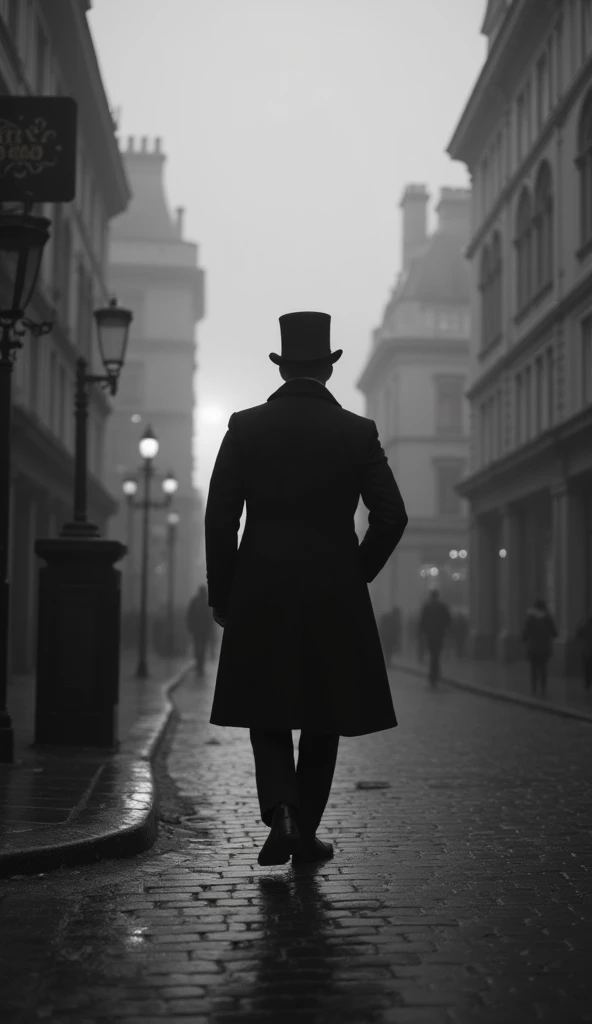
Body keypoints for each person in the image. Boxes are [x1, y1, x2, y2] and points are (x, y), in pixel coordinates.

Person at [205, 311, 408, 867]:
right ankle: (305, 827)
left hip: (261, 587)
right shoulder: (357, 431)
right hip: (332, 591)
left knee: (264, 706)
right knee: (326, 713)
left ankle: (283, 812)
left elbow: (220, 519)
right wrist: (355, 570)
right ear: (328, 368)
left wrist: (224, 593)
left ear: (282, 366)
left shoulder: (245, 427)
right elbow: (392, 516)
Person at [521, 597, 557, 697]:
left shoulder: (530, 618)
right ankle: (543, 688)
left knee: (533, 668)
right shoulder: (547, 618)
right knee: (543, 668)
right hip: (545, 648)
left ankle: (534, 688)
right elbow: (554, 633)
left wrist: (526, 639)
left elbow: (525, 634)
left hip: (532, 648)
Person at [418, 589, 451, 686]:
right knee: (436, 655)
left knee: (433, 655)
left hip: (430, 635)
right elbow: (448, 620)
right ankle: (435, 674)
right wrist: (444, 629)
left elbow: (422, 622)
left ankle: (433, 675)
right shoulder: (442, 607)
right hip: (439, 635)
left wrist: (423, 632)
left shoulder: (426, 607)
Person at [185, 585, 214, 676]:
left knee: (197, 646)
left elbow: (189, 615)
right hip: (204, 630)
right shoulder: (206, 602)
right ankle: (200, 664)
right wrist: (210, 629)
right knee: (202, 647)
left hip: (196, 629)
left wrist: (190, 626)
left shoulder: (195, 601)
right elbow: (210, 617)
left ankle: (199, 662)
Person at [575, 612, 592, 691]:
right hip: (587, 650)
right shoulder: (587, 625)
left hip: (587, 651)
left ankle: (587, 683)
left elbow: (578, 633)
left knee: (587, 668)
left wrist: (580, 622)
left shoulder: (586, 625)